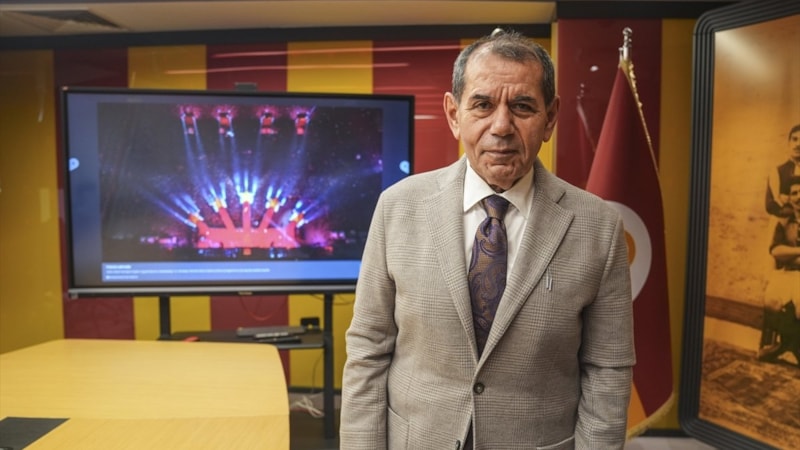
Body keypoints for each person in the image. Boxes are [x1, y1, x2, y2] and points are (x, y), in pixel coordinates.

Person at [340, 29, 635, 450]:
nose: (501, 127)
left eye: (522, 106)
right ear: (453, 114)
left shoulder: (599, 227)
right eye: (482, 105)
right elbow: (368, 349)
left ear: (550, 117)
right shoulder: (397, 208)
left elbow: (607, 369)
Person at [759, 175, 800, 366]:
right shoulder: (784, 221)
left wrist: (788, 253)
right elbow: (775, 251)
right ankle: (789, 345)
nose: (799, 197)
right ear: (789, 198)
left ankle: (787, 345)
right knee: (772, 299)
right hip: (787, 272)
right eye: (794, 193)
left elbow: (783, 252)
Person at [765, 124, 800, 219]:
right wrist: (795, 212)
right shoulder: (778, 172)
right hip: (784, 224)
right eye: (794, 139)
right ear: (789, 143)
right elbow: (770, 206)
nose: (798, 144)